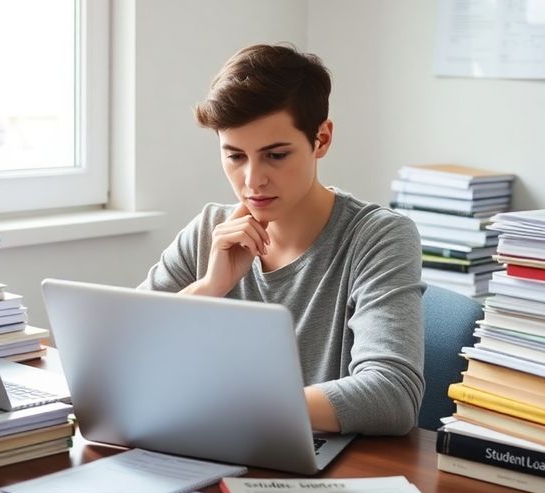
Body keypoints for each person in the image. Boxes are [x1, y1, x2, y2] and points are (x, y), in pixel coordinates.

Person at [139, 44, 425, 435]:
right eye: (235, 156)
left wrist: (233, 405)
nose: (253, 180)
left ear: (321, 139)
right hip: (208, 446)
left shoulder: (378, 237)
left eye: (275, 155)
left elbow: (393, 394)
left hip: (317, 469)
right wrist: (209, 288)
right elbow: (126, 355)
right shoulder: (210, 230)